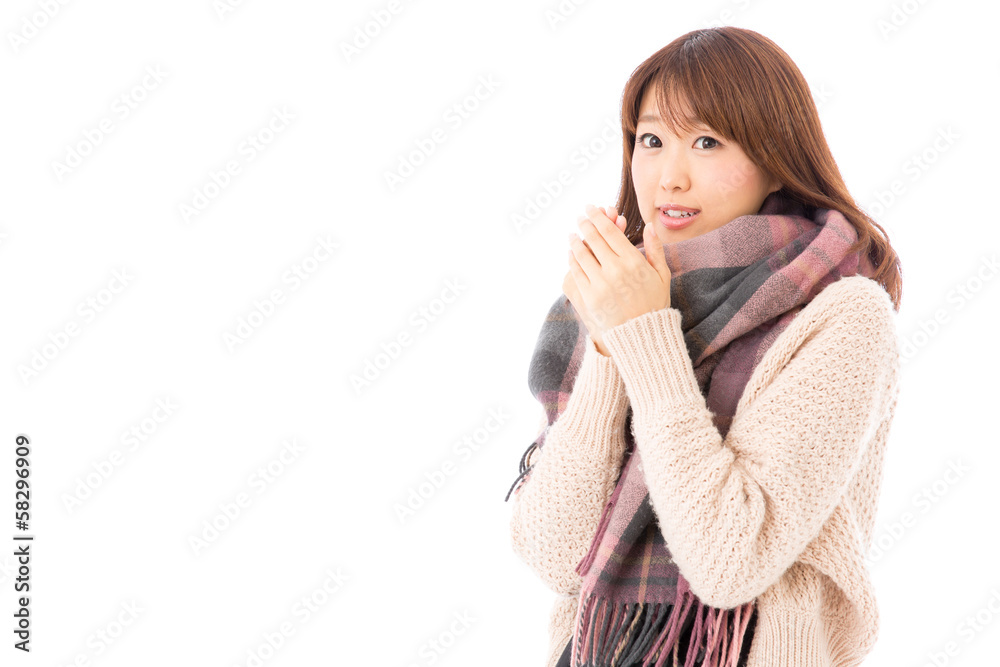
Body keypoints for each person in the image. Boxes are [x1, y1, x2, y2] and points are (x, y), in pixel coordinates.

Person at [506, 26, 903, 667]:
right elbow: (556, 554)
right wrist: (613, 343)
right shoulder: (616, 297)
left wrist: (644, 337)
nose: (670, 176)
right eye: (652, 140)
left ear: (775, 155)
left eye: (708, 142)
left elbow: (729, 560)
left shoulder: (843, 315)